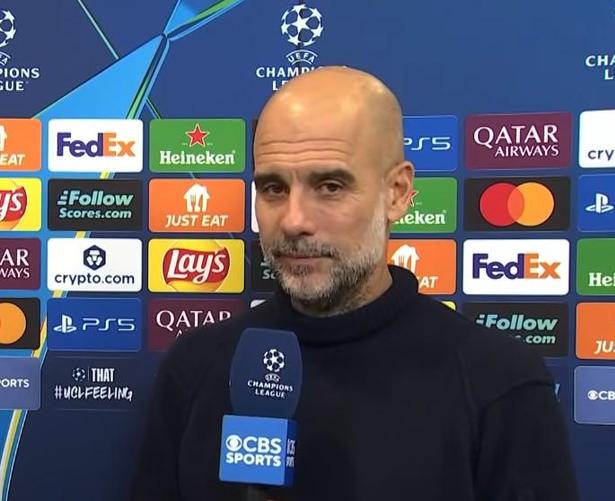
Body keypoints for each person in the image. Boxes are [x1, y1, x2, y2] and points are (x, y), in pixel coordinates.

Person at [132, 66, 579, 500]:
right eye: (273, 188)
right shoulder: (195, 367)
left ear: (397, 193)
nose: (293, 220)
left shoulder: (500, 382)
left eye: (329, 186)